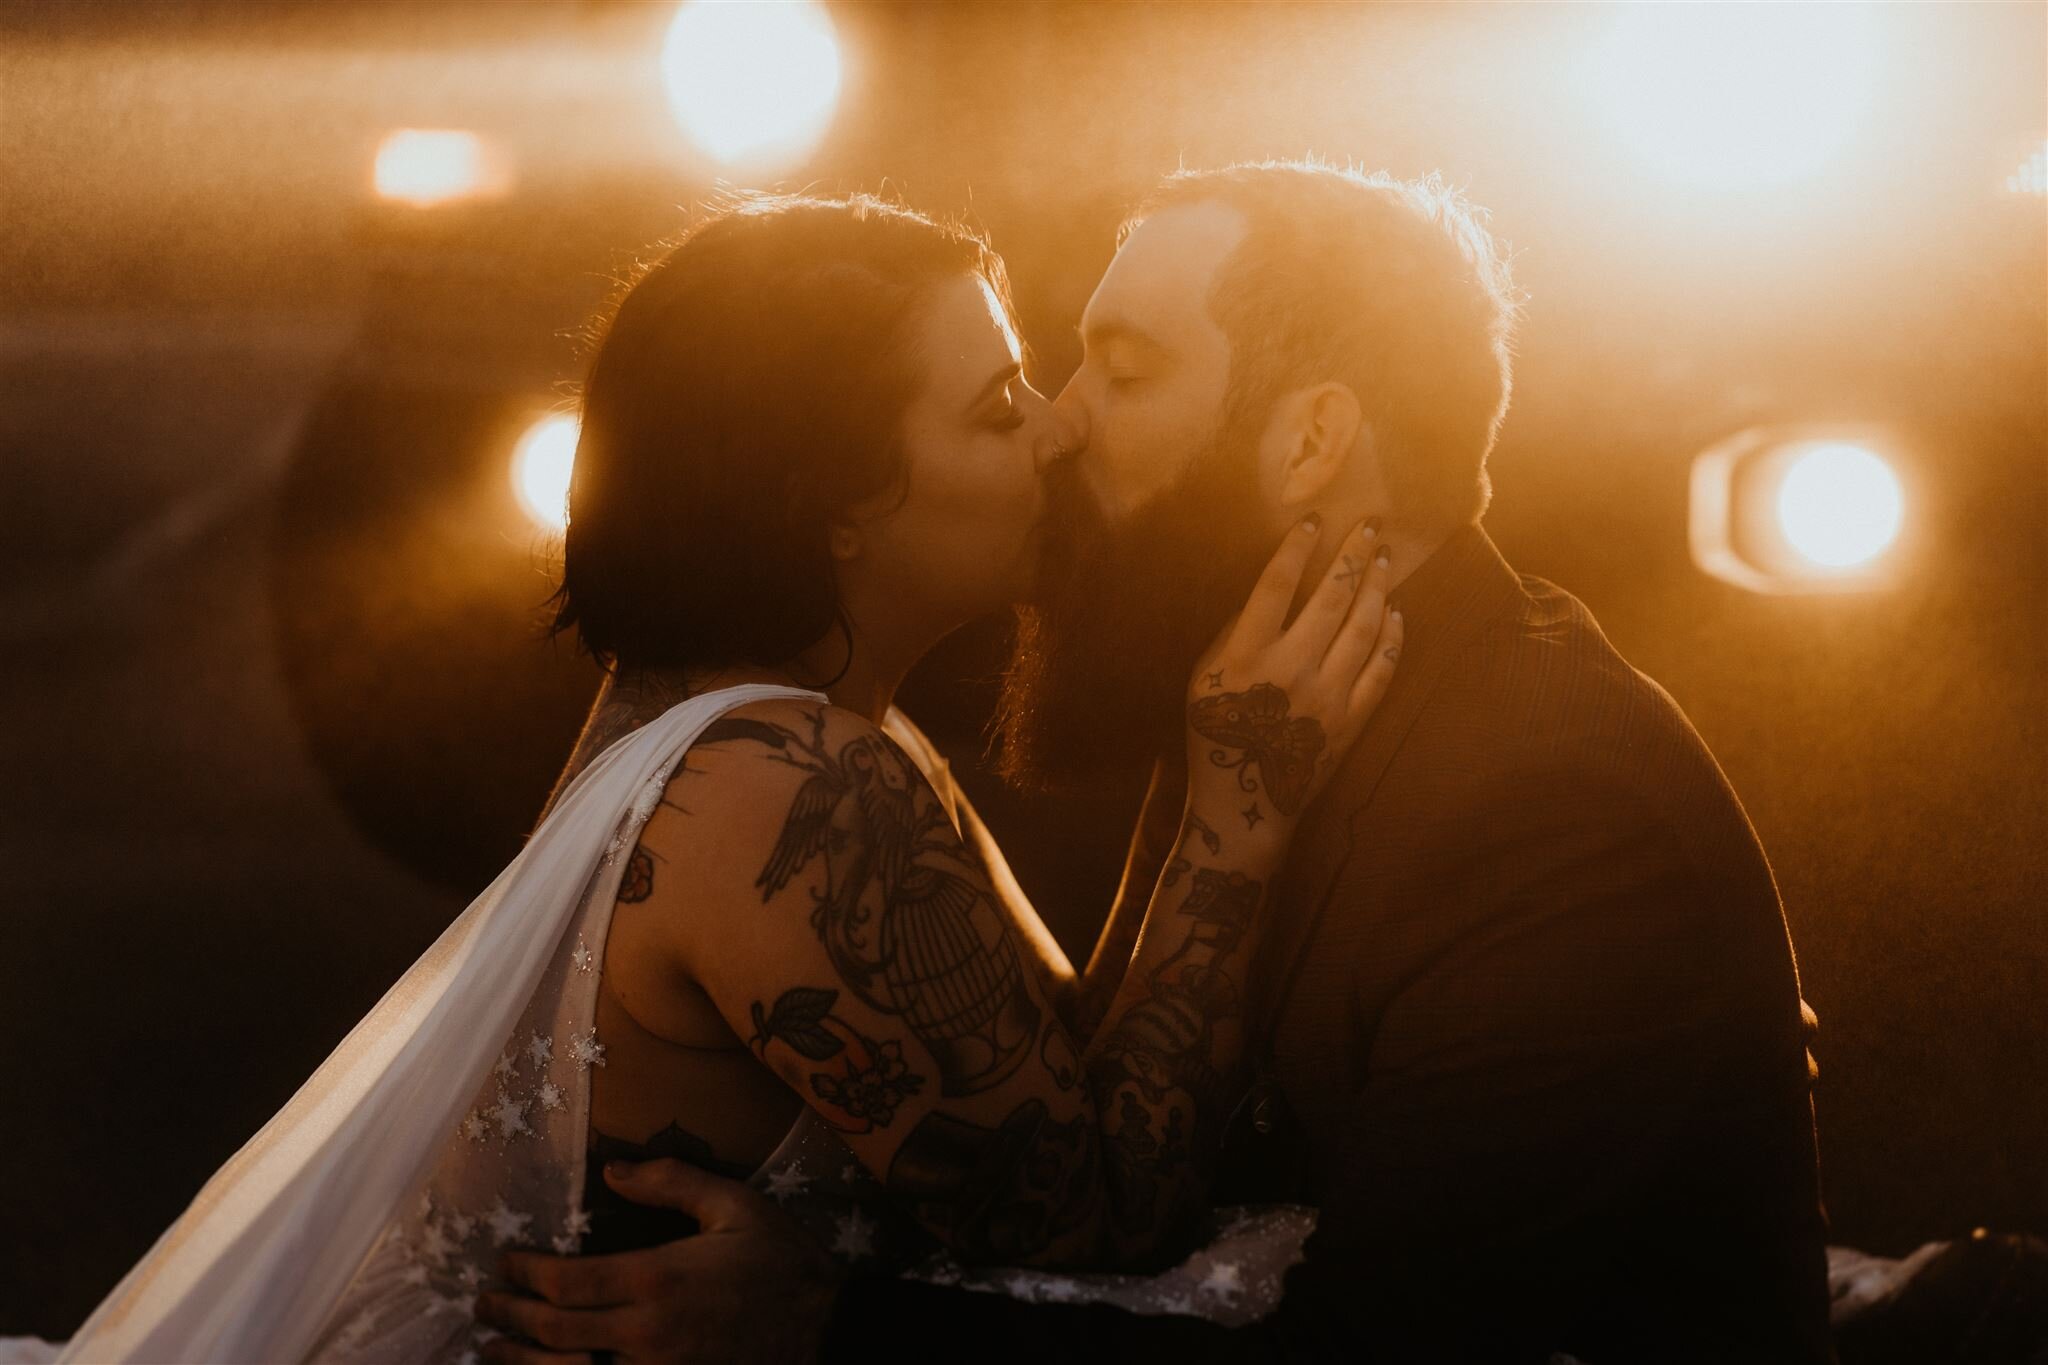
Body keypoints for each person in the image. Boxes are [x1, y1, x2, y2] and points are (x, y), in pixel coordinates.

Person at [13, 190, 1403, 1365]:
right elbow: (1103, 1217)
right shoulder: (783, 787)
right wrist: (1234, 817)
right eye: (994, 409)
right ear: (835, 503)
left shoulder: (776, 729)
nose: (1054, 433)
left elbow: (1054, 1081)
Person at [491, 161, 1832, 1364]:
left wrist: (831, 1321)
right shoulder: (1220, 706)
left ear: (1308, 440)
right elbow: (1092, 1142)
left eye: (1117, 373)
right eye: (1012, 395)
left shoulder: (1551, 809)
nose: (1062, 426)